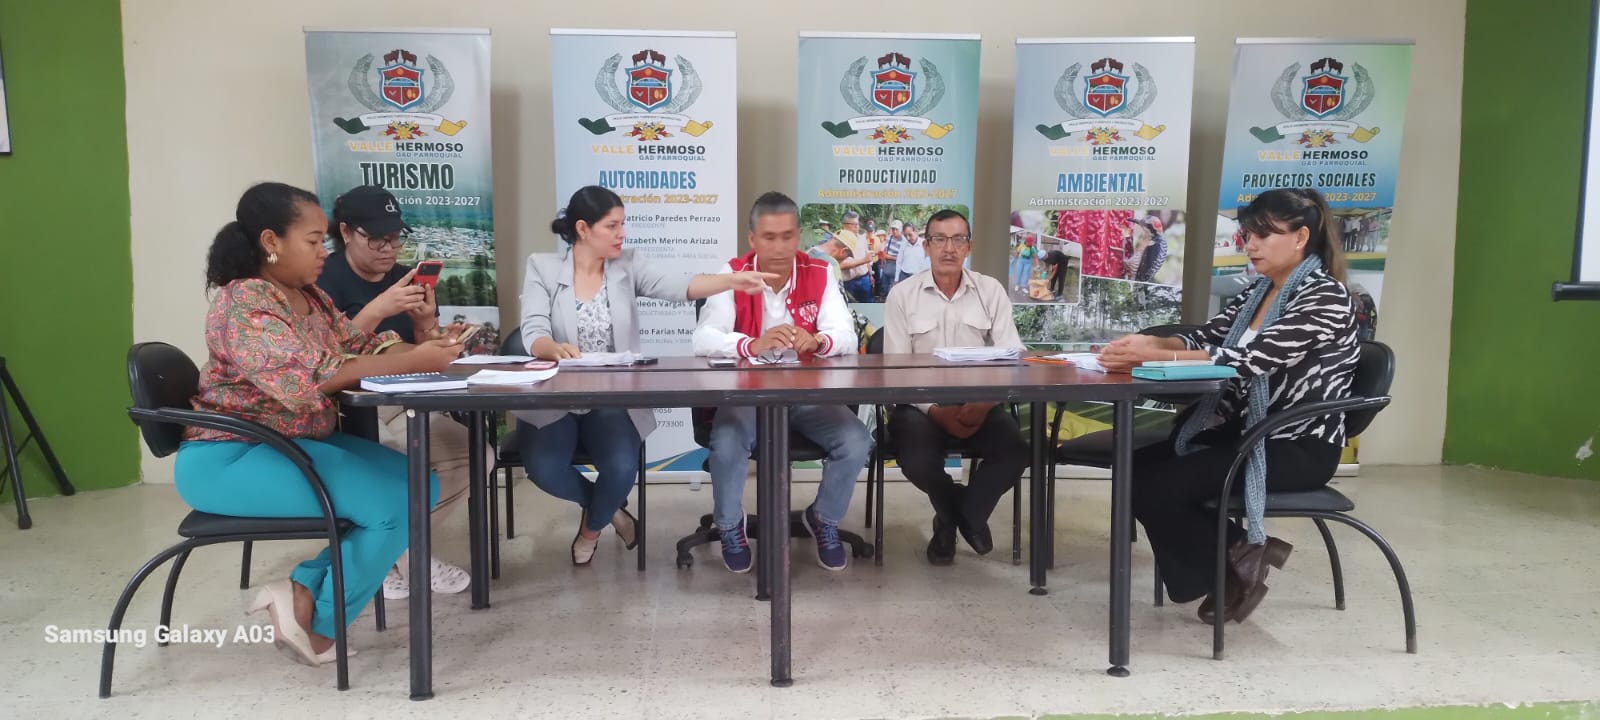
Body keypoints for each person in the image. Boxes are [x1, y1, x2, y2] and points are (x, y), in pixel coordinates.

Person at [175, 181, 463, 666]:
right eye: (312, 241)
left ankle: (302, 589)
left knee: (420, 485)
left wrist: (427, 348)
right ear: (271, 241)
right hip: (231, 457)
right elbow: (311, 377)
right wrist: (418, 360)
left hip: (286, 445)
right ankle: (322, 627)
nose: (323, 252)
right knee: (391, 508)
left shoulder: (308, 296)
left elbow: (360, 345)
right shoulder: (245, 303)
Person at [1098, 187, 1358, 625]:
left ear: (1300, 237)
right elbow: (1205, 337)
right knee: (1136, 467)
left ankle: (1231, 570)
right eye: (1248, 235)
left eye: (1263, 235)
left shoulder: (1325, 297)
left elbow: (1252, 359)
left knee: (1161, 486)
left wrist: (1157, 357)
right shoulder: (1260, 291)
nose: (1251, 245)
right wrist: (1150, 343)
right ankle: (1240, 554)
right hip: (1246, 433)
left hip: (1297, 445)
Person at [518, 185, 773, 565]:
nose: (622, 234)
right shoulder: (543, 266)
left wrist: (732, 281)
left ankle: (591, 529)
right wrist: (550, 347)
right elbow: (533, 329)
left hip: (612, 397)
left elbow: (679, 287)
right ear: (583, 228)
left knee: (622, 467)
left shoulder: (627, 265)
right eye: (612, 226)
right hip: (557, 395)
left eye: (623, 224)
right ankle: (611, 512)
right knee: (544, 468)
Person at [693, 191, 872, 573]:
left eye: (788, 236)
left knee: (856, 440)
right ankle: (729, 525)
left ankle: (823, 518)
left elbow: (845, 334)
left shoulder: (819, 272)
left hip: (807, 395)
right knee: (726, 443)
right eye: (769, 237)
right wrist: (750, 344)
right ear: (752, 239)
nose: (779, 247)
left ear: (799, 235)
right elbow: (703, 338)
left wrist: (818, 341)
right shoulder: (733, 273)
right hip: (746, 395)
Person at [317, 184, 472, 600]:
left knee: (478, 454)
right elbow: (323, 359)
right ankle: (399, 556)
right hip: (350, 410)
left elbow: (420, 352)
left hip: (404, 402)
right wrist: (377, 310)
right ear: (346, 232)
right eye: (376, 239)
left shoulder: (405, 278)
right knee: (395, 460)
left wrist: (428, 326)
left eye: (395, 237)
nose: (388, 249)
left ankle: (391, 550)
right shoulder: (323, 282)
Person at [883, 209, 1028, 565]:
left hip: (980, 400)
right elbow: (896, 371)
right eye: (939, 239)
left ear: (969, 246)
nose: (949, 248)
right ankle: (960, 514)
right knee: (916, 460)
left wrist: (984, 403)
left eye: (958, 239)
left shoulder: (990, 291)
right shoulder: (902, 295)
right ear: (926, 246)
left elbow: (1012, 356)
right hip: (920, 403)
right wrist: (935, 411)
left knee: (1015, 451)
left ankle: (957, 517)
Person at [834, 210, 875, 302]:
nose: (857, 227)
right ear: (844, 225)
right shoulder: (837, 241)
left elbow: (867, 257)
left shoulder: (862, 239)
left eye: (857, 224)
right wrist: (864, 260)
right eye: (853, 224)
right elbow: (840, 265)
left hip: (864, 279)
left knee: (868, 303)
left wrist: (870, 274)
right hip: (848, 282)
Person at [877, 219, 903, 297]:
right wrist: (883, 262)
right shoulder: (889, 238)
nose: (894, 231)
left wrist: (889, 257)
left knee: (893, 287)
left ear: (901, 229)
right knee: (884, 285)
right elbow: (885, 251)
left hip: (896, 267)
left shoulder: (904, 241)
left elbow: (903, 258)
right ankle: (884, 298)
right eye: (893, 229)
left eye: (896, 229)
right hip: (887, 265)